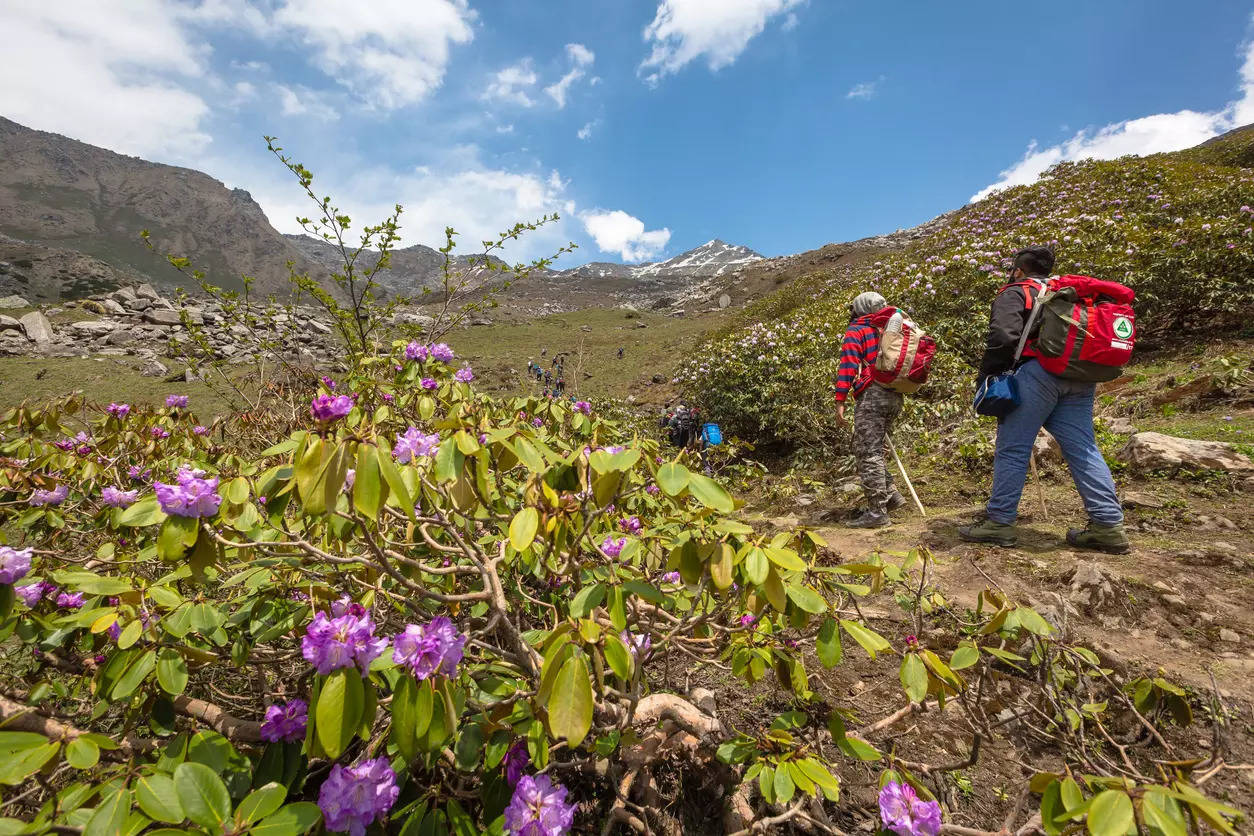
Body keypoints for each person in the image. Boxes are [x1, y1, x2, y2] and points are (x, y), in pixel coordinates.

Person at [958, 246, 1128, 554]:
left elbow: (1002, 336)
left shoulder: (1017, 291)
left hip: (1038, 374)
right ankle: (1108, 526)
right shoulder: (1066, 292)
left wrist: (988, 377)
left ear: (1019, 270)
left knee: (1013, 449)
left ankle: (999, 522)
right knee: (1083, 448)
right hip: (1080, 377)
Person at [834, 291, 908, 528]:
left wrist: (840, 400)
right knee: (873, 448)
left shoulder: (858, 330)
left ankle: (877, 512)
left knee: (867, 452)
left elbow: (848, 365)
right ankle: (892, 497)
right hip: (895, 393)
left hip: (873, 394)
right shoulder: (893, 328)